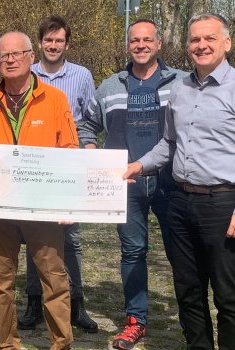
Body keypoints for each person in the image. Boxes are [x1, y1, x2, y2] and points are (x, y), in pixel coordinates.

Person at [123, 13, 235, 350]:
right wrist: (138, 166)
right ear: (187, 45)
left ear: (226, 43)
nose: (201, 45)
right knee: (187, 290)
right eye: (195, 40)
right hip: (179, 202)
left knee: (227, 294)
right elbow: (169, 144)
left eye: (209, 39)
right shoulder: (181, 88)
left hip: (222, 204)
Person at [76, 19, 187, 349]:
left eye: (147, 40)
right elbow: (87, 125)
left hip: (173, 183)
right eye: (135, 40)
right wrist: (92, 149)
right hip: (125, 186)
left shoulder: (181, 83)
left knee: (181, 254)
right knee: (133, 253)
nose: (141, 45)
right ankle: (136, 320)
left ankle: (190, 320)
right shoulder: (110, 86)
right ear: (128, 45)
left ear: (159, 45)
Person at [0, 31, 78, 350]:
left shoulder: (55, 99)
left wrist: (67, 201)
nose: (10, 60)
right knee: (1, 284)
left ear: (32, 57)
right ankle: (6, 344)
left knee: (54, 279)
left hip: (43, 206)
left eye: (17, 54)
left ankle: (61, 343)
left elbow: (69, 147)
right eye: (3, 56)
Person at [18, 15, 98, 333]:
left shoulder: (81, 76)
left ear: (67, 43)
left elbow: (90, 118)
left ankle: (76, 304)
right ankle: (34, 302)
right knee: (33, 235)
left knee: (71, 238)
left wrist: (89, 148)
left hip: (67, 163)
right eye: (48, 40)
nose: (53, 45)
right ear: (40, 43)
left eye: (59, 41)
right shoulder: (27, 71)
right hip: (34, 163)